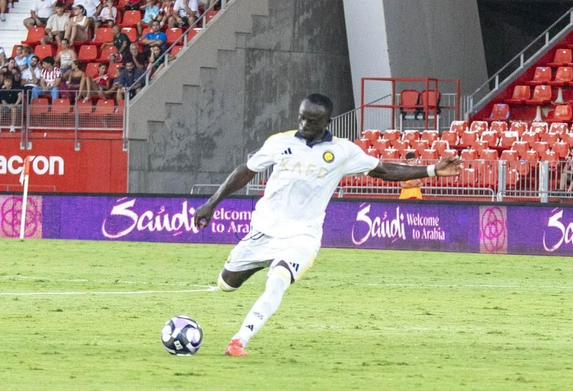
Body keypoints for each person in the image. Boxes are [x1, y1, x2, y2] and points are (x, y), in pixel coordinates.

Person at [191, 94, 462, 356]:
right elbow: (246, 171)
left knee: (277, 283)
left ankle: (239, 340)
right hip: (262, 232)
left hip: (301, 237)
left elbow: (384, 170)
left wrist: (432, 171)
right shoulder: (279, 142)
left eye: (312, 121)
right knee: (226, 285)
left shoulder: (342, 151)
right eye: (301, 118)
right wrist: (212, 203)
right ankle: (264, 263)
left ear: (326, 122)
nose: (304, 125)